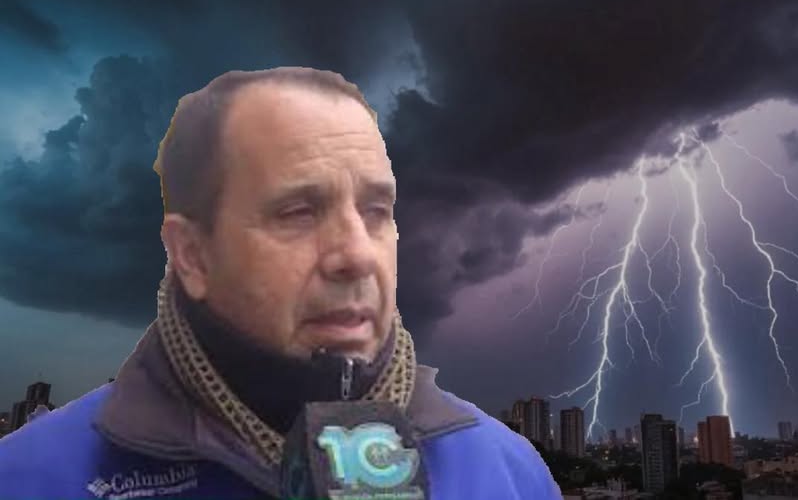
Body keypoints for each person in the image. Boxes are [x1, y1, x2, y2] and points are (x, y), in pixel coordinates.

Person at [0, 67, 562, 499]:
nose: (355, 255)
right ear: (192, 255)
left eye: (376, 210)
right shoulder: (28, 480)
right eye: (298, 212)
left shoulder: (508, 473)